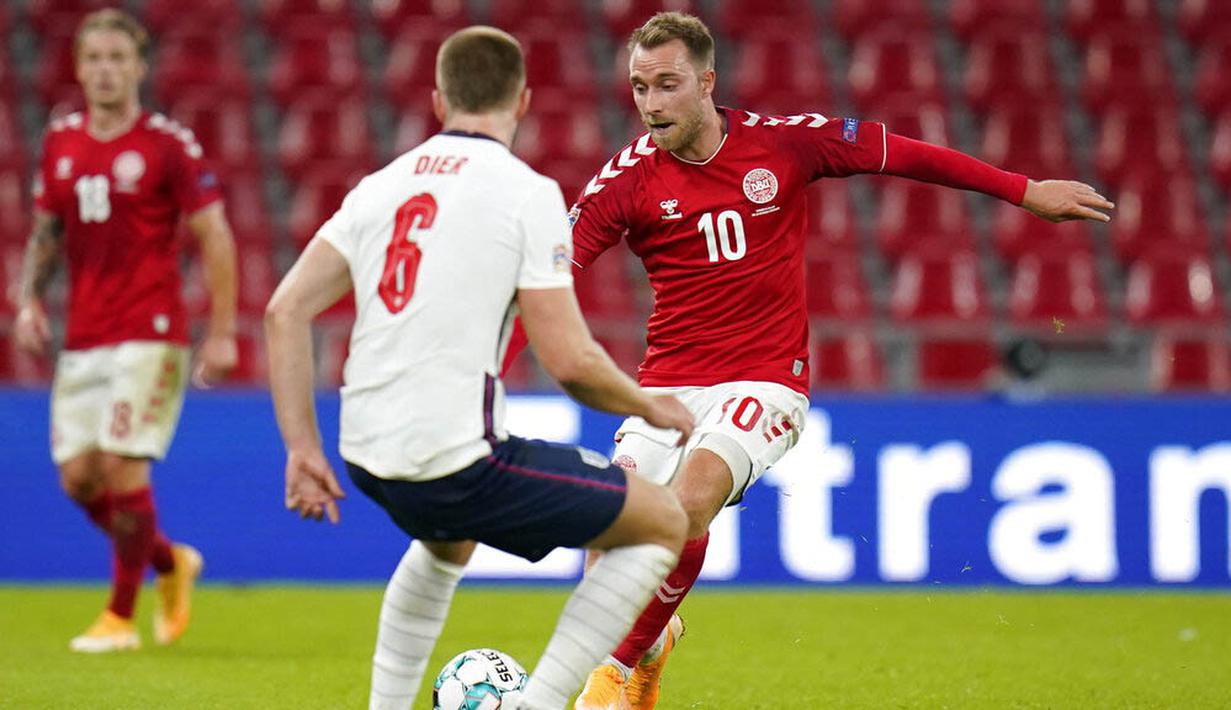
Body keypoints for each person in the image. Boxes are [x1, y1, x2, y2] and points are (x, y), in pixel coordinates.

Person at [565, 12, 1116, 710]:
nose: (650, 104)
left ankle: (607, 674)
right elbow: (551, 273)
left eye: (667, 85)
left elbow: (906, 154)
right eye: (639, 87)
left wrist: (1022, 190)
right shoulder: (625, 181)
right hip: (667, 383)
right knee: (612, 538)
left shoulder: (785, 145)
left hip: (765, 381)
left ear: (706, 82)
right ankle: (648, 647)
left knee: (688, 502)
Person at [264, 26, 696, 710]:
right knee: (663, 520)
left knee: (447, 544)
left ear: (438, 100)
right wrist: (651, 407)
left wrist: (300, 448)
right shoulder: (526, 193)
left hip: (365, 454)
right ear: (522, 101)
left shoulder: (381, 186)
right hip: (453, 459)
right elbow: (570, 361)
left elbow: (283, 311)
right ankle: (540, 706)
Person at [12, 9, 238, 652]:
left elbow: (214, 234)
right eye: (94, 59)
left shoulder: (168, 144)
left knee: (120, 467)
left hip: (151, 326)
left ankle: (119, 618)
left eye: (118, 58)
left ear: (139, 67)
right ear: (78, 68)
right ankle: (170, 563)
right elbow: (48, 231)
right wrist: (29, 298)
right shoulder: (60, 142)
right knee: (79, 480)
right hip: (84, 333)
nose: (105, 70)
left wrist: (221, 332)